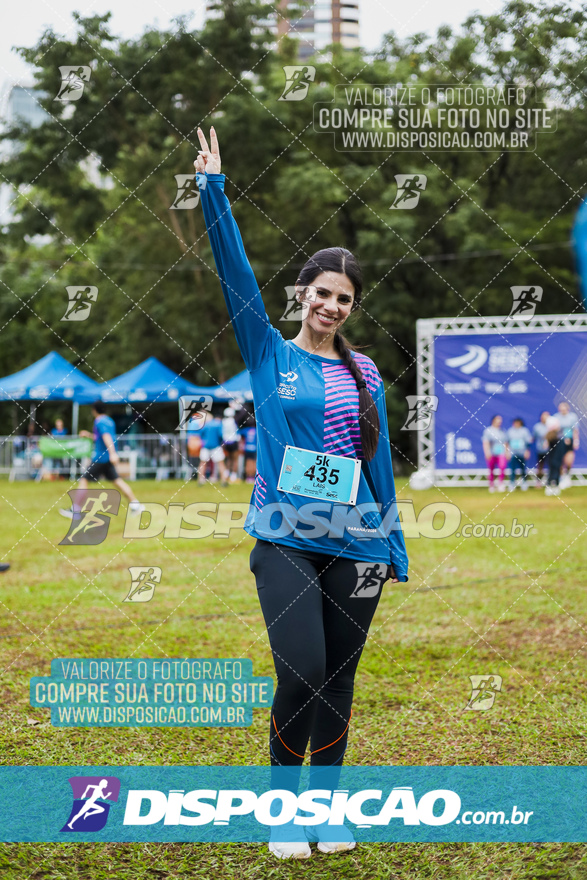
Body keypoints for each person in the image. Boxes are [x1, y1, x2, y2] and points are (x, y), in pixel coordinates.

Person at [195, 128, 408, 860]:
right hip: (286, 540)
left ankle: (327, 808)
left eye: (345, 298)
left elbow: (375, 467)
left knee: (340, 682)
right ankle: (282, 808)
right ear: (303, 295)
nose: (333, 305)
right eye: (323, 293)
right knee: (303, 672)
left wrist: (393, 546)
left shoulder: (366, 373)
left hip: (358, 544)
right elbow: (234, 279)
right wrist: (212, 192)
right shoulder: (269, 354)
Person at [59, 401, 143, 519]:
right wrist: (88, 435)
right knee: (117, 481)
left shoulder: (99, 421)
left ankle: (75, 510)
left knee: (84, 480)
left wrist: (113, 453)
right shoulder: (109, 421)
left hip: (101, 458)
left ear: (94, 410)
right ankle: (136, 505)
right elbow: (101, 437)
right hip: (106, 457)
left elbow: (106, 437)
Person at [198, 411, 228, 485]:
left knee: (202, 463)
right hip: (216, 446)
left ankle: (200, 480)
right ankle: (224, 480)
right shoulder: (218, 424)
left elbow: (201, 434)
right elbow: (221, 435)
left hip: (206, 446)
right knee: (221, 463)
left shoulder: (205, 425)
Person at [482, 415, 509, 492]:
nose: (499, 422)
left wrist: (507, 452)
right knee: (491, 469)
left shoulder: (503, 431)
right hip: (491, 453)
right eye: (498, 421)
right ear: (493, 421)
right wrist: (487, 452)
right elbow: (486, 442)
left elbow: (506, 442)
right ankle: (491, 484)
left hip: (501, 452)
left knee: (502, 467)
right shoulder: (488, 431)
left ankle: (500, 483)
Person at [557, 401, 580, 490]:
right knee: (560, 461)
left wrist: (575, 441)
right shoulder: (556, 417)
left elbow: (575, 430)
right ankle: (562, 477)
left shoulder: (572, 417)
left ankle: (567, 475)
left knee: (569, 461)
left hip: (570, 441)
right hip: (559, 441)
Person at [506, 417, 532, 491]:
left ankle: (524, 482)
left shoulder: (524, 431)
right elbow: (507, 442)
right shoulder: (510, 431)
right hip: (513, 453)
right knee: (512, 469)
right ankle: (512, 483)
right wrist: (507, 452)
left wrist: (527, 451)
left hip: (522, 453)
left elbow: (528, 442)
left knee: (523, 469)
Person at [544, 413, 564, 496]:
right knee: (553, 467)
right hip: (553, 459)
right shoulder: (550, 436)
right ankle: (550, 484)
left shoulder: (559, 437)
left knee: (556, 466)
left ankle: (555, 484)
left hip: (557, 458)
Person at [221, 407, 240, 482]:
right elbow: (237, 432)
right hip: (234, 441)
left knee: (228, 459)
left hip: (225, 441)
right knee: (235, 459)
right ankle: (233, 476)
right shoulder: (234, 421)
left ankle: (227, 474)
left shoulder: (223, 421)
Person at [532, 411, 550, 488]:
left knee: (553, 465)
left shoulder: (552, 426)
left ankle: (551, 481)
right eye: (543, 416)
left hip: (551, 450)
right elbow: (533, 437)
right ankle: (538, 482)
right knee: (540, 466)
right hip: (540, 450)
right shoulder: (537, 427)